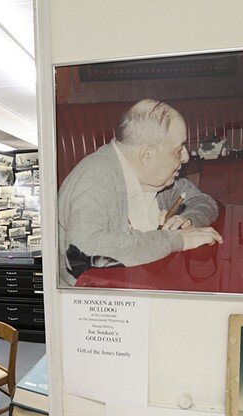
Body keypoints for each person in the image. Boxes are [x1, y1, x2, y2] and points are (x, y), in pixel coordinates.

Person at [58, 99, 223, 285]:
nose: (186, 157)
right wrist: (174, 240)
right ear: (147, 155)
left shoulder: (155, 179)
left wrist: (187, 221)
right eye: (178, 150)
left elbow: (204, 202)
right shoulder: (95, 178)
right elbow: (84, 249)